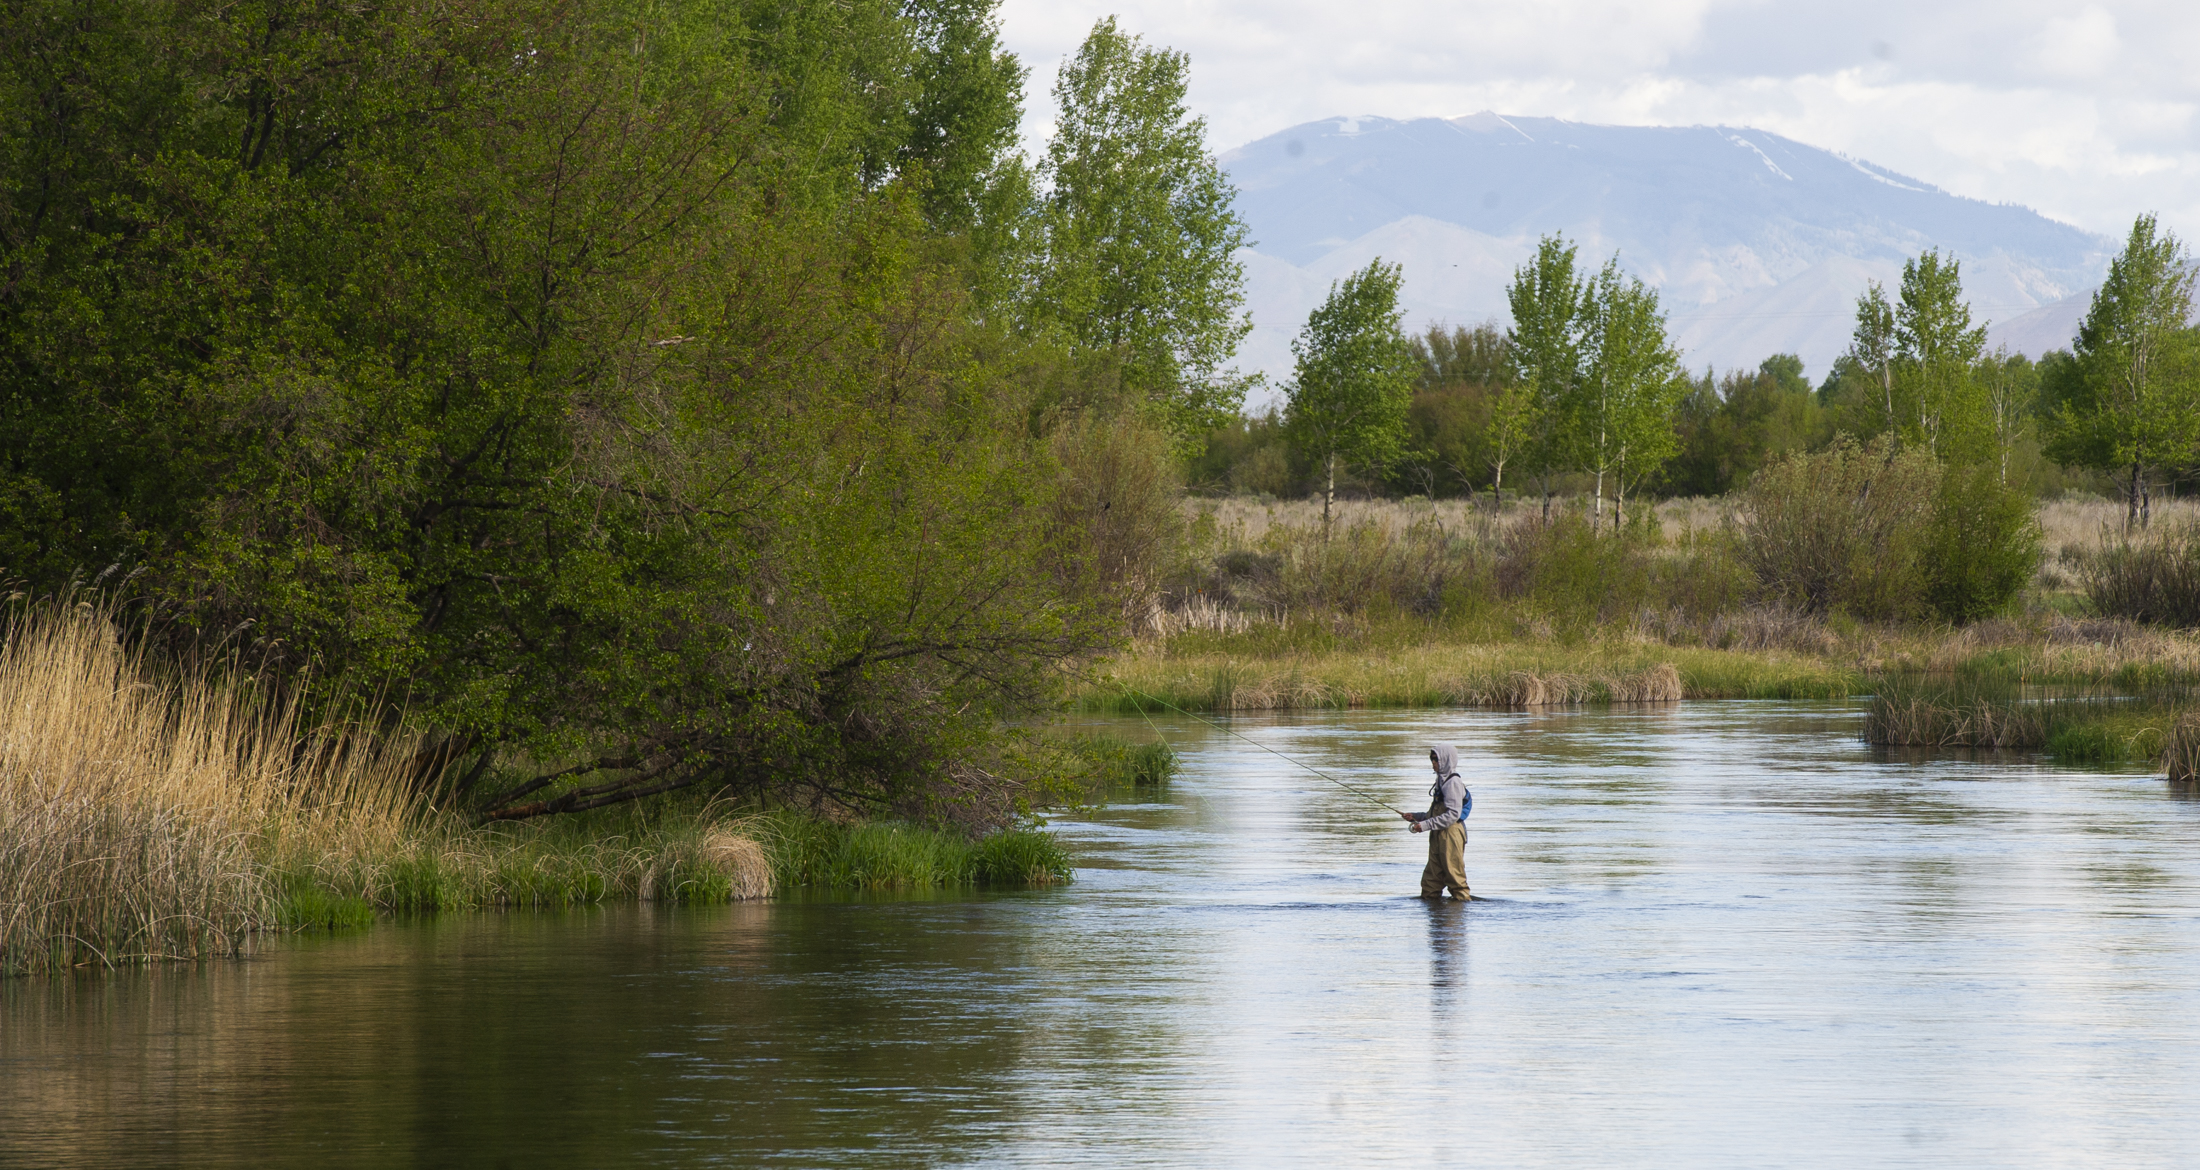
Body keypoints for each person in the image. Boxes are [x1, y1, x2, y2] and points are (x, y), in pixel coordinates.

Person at [1400, 744, 1470, 900]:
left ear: (1446, 760)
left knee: (1455, 877)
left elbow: (1452, 815)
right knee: (1431, 882)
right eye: (1432, 759)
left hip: (1451, 835)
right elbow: (1436, 814)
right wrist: (1416, 817)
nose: (1433, 763)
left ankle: (1458, 917)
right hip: (1438, 834)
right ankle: (1435, 918)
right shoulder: (1441, 781)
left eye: (1436, 760)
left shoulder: (1453, 783)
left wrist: (1424, 826)